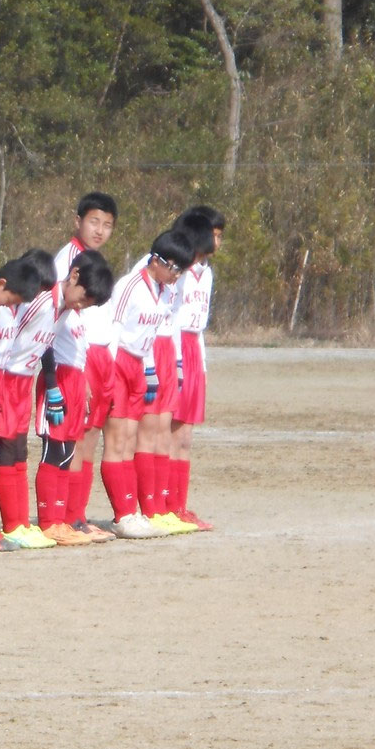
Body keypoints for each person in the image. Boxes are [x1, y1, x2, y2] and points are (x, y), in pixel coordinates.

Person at [102, 229, 194, 538]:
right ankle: (122, 514)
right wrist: (109, 375)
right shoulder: (130, 286)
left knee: (129, 441)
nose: (177, 277)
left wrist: (150, 370)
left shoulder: (164, 290)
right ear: (159, 261)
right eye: (176, 269)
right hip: (118, 363)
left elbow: (152, 334)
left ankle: (133, 511)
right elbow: (112, 328)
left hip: (139, 365)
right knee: (117, 440)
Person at [0, 250, 59, 550]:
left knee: (18, 448)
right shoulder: (2, 303)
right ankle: (2, 523)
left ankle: (19, 521)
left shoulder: (18, 303)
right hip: (0, 377)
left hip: (18, 378)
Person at [32, 250, 115, 546]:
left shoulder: (72, 310)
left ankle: (62, 519)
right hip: (58, 382)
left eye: (89, 303)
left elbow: (76, 349)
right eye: (83, 298)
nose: (82, 304)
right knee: (53, 451)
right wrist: (53, 387)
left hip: (75, 382)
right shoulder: (50, 301)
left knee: (67, 453)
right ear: (75, 275)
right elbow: (43, 344)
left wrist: (84, 386)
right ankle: (48, 521)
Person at [52, 192, 119, 535]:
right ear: (77, 221)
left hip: (100, 355)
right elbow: (64, 316)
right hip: (79, 357)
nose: (100, 230)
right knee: (76, 439)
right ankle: (65, 516)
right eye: (94, 221)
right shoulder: (69, 260)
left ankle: (77, 514)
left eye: (107, 225)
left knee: (90, 438)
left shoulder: (96, 260)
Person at [168, 206, 224, 531]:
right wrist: (175, 362)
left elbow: (198, 325)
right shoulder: (179, 269)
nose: (217, 241)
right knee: (168, 432)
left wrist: (200, 365)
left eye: (219, 235)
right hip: (174, 347)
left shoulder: (207, 272)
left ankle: (179, 506)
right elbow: (170, 318)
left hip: (192, 348)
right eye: (213, 234)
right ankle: (160, 505)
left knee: (185, 436)